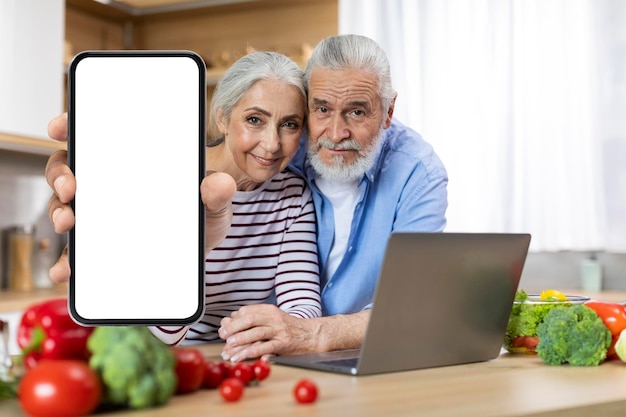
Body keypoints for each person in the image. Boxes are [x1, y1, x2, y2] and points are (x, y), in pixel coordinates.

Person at [45, 51, 321, 345]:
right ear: (222, 118)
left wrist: (255, 334)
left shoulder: (292, 195)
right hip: (154, 355)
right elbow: (158, 337)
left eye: (290, 124)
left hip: (238, 355)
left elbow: (302, 311)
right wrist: (196, 249)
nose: (271, 143)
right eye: (255, 119)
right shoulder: (165, 175)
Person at [217, 34, 448, 362]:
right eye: (322, 109)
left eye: (356, 112)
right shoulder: (279, 156)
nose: (336, 134)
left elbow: (413, 303)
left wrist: (313, 333)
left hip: (360, 353)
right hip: (259, 353)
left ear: (388, 111)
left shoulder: (417, 173)